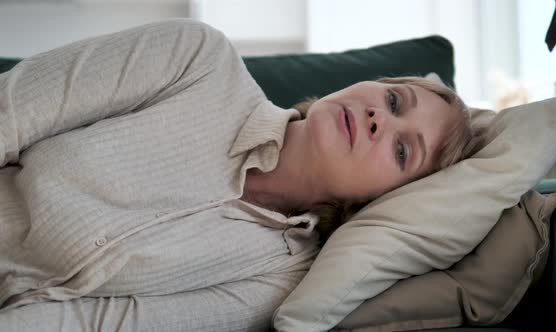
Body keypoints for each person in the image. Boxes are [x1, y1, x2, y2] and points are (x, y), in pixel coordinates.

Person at [0, 19, 472, 331]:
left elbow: (107, 325)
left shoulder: (284, 278)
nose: (379, 120)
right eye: (393, 101)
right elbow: (10, 111)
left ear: (385, 198)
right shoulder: (198, 60)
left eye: (402, 150)